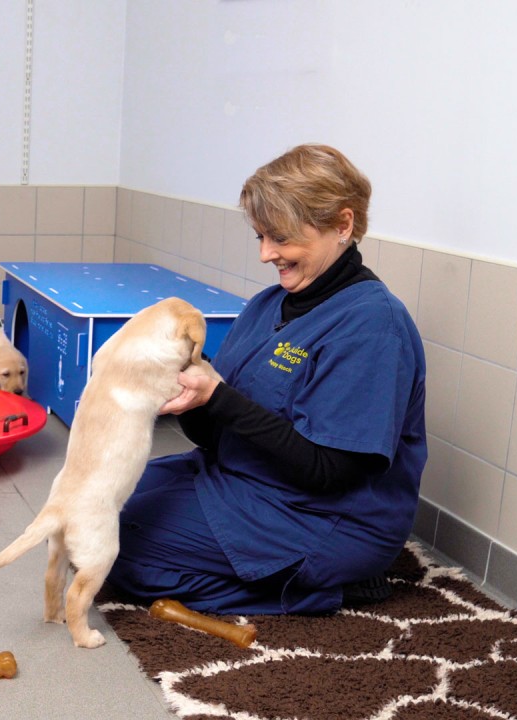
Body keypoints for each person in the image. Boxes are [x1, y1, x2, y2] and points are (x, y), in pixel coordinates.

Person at [106, 144, 427, 615]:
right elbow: (216, 428)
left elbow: (329, 473)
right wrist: (189, 391)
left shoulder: (374, 326)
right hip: (237, 480)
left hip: (322, 517)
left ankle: (325, 588)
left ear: (343, 225)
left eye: (280, 238)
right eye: (260, 236)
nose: (265, 254)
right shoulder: (267, 306)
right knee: (96, 509)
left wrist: (217, 397)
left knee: (124, 555)